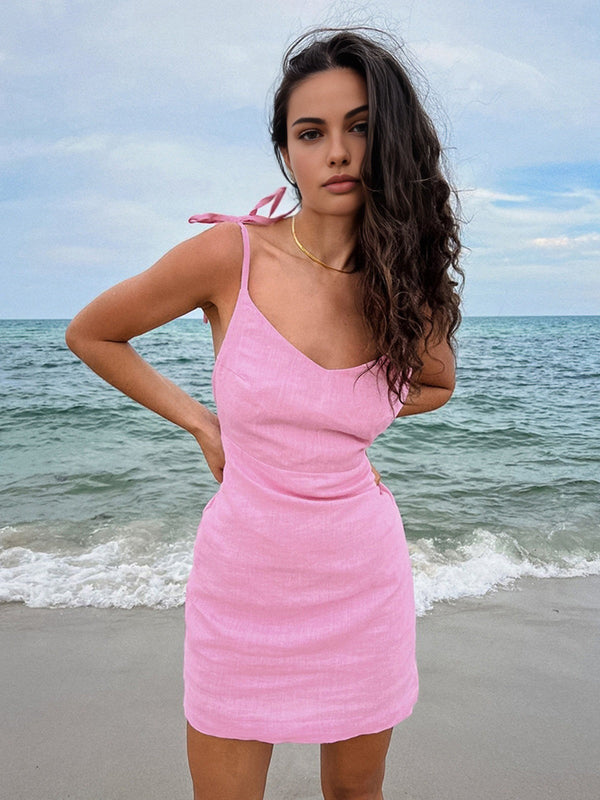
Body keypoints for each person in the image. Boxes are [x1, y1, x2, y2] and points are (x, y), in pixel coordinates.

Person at [65, 26, 462, 800]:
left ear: (394, 141)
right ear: (286, 153)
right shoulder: (231, 255)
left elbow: (437, 383)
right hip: (244, 580)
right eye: (311, 134)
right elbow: (94, 332)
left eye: (360, 127)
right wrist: (203, 423)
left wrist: (344, 424)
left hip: (361, 575)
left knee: (354, 795)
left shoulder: (408, 283)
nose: (338, 152)